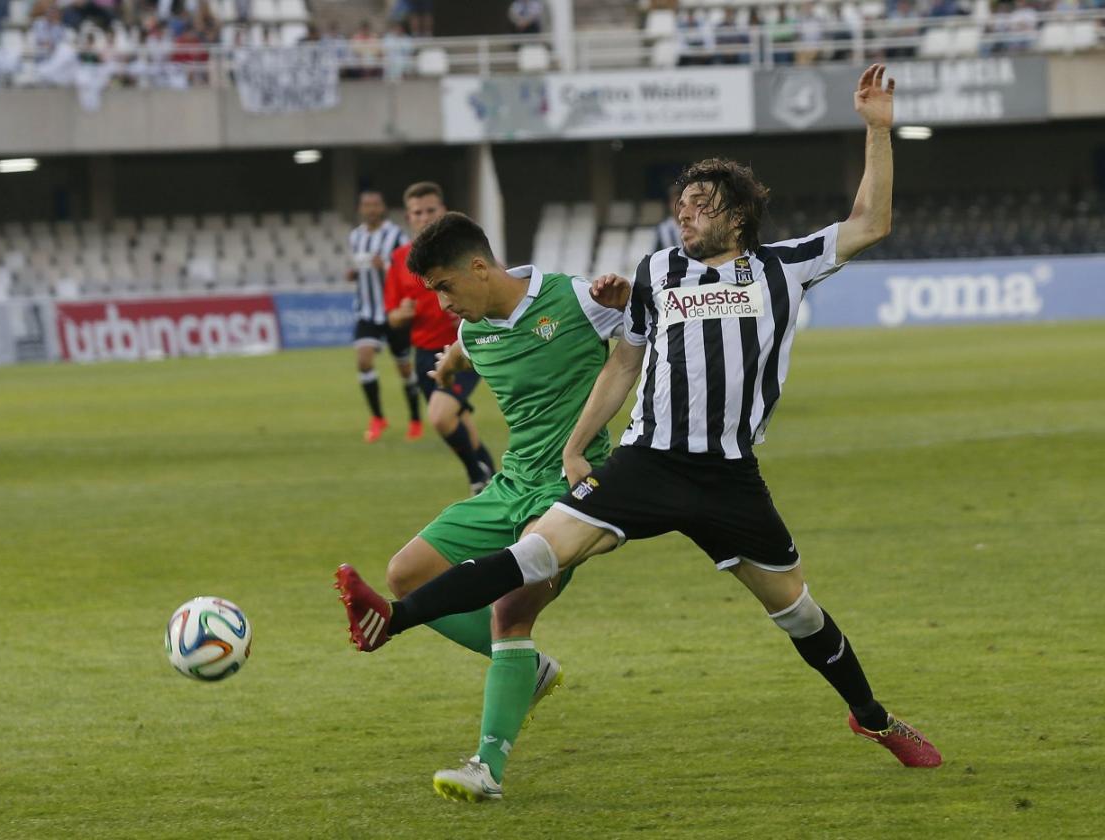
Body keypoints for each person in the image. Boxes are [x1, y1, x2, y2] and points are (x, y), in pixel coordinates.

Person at [336, 65, 944, 784]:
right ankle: (391, 621)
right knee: (536, 554)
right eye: (679, 203)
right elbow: (623, 363)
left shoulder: (786, 267)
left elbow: (871, 222)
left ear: (738, 216)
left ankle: (872, 716)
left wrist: (878, 127)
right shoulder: (657, 271)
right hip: (644, 463)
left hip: (728, 480)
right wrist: (572, 448)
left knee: (799, 615)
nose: (683, 214)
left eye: (699, 205)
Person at [337, 211, 633, 802]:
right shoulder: (473, 332)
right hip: (509, 484)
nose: (441, 303)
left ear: (480, 267)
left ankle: (487, 767)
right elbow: (464, 352)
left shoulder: (573, 299)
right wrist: (448, 361)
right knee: (404, 574)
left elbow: (643, 325)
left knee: (509, 613)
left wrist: (625, 298)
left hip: (568, 493)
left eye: (445, 286)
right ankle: (528, 669)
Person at [383, 181, 495, 491]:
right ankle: (490, 478)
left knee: (441, 416)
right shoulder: (400, 260)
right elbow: (391, 316)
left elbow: (494, 287)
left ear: (443, 211)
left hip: (463, 347)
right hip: (423, 353)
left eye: (430, 210)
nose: (424, 217)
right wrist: (401, 315)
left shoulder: (466, 253)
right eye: (417, 212)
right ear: (409, 217)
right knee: (455, 420)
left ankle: (476, 477)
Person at [346, 189, 419, 442]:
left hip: (392, 311)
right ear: (360, 208)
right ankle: (378, 417)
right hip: (366, 311)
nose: (371, 209)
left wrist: (385, 267)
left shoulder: (395, 235)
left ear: (383, 207)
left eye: (375, 204)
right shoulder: (355, 237)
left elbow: (406, 271)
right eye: (366, 205)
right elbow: (357, 268)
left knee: (405, 369)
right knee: (364, 360)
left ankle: (415, 418)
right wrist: (353, 274)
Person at [654, 181, 684, 251]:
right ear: (669, 205)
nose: (677, 206)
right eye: (674, 202)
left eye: (680, 202)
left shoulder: (693, 225)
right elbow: (655, 254)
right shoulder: (662, 229)